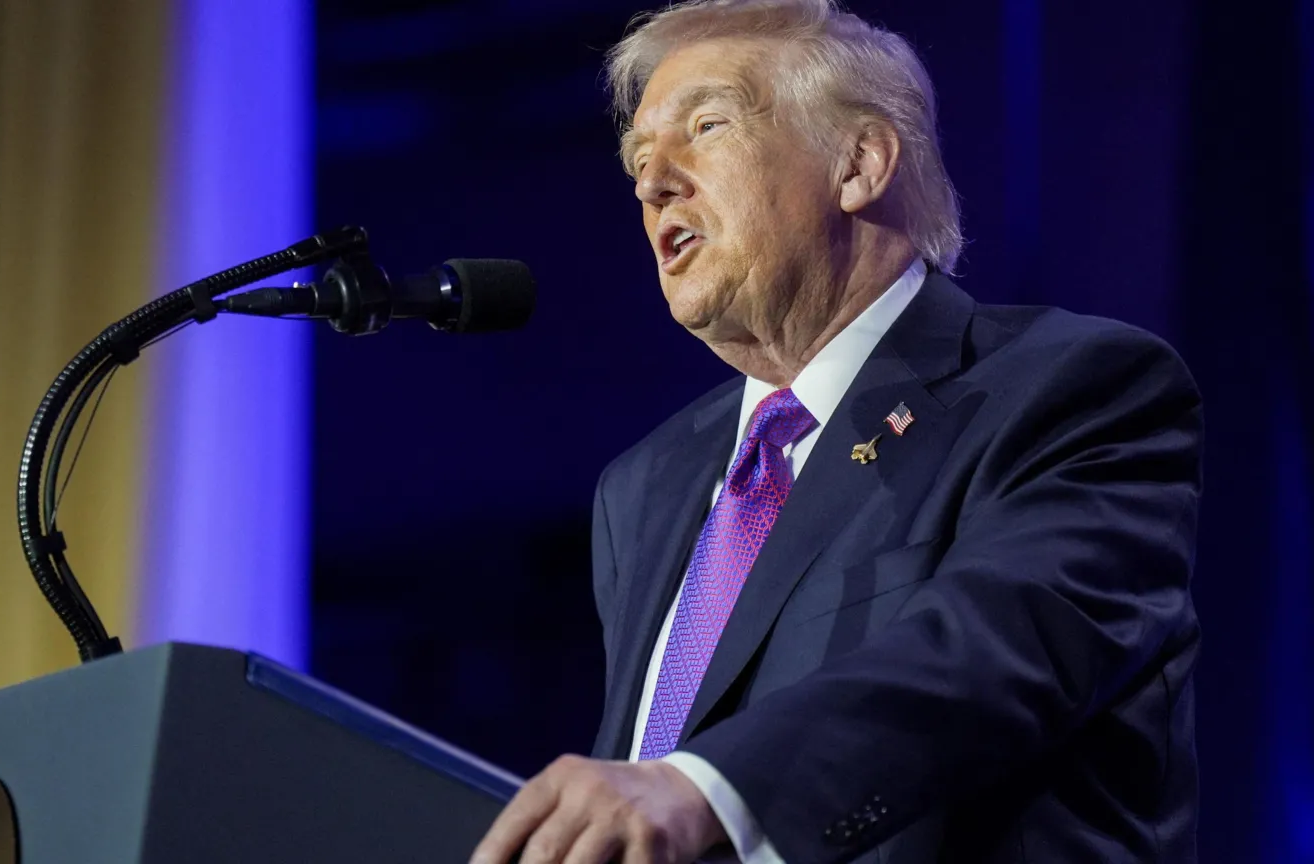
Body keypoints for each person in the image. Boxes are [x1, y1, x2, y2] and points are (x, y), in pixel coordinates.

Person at [470, 0, 1203, 862]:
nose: (652, 181)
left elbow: (994, 650)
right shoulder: (644, 485)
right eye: (638, 157)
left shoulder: (1071, 388)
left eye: (706, 125)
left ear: (858, 163)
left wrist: (707, 788)